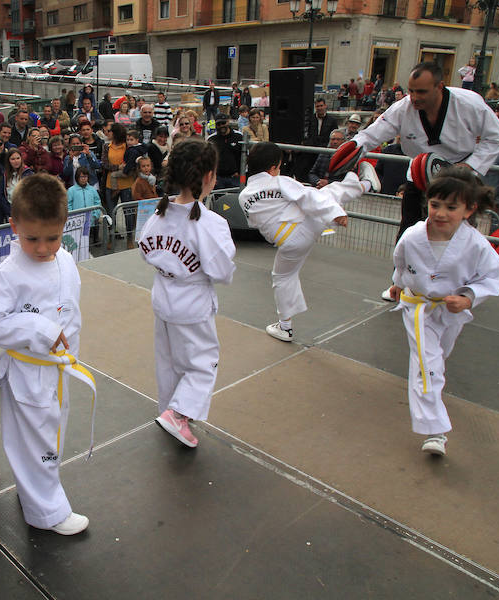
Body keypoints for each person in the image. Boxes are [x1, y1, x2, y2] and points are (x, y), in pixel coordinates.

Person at [0, 173, 91, 536]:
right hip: (28, 371)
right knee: (37, 440)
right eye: (32, 238)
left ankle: (35, 493)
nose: (43, 248)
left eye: (52, 238)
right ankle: (47, 511)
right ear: (13, 226)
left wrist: (68, 343)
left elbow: (70, 309)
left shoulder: (66, 261)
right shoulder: (8, 273)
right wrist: (40, 329)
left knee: (51, 434)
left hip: (57, 368)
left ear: (63, 227)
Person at [347, 61, 499, 298]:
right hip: (420, 172)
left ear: (439, 87)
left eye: (421, 91)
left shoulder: (469, 103)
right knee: (409, 231)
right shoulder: (403, 108)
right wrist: (351, 148)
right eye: (411, 90)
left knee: (458, 233)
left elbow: (496, 137)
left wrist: (470, 166)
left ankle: (464, 289)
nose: (413, 97)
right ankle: (400, 285)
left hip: (460, 176)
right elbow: (372, 134)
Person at [387, 167, 499, 456]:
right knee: (426, 365)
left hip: (451, 311)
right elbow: (402, 264)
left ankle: (433, 395)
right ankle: (435, 431)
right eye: (435, 204)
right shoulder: (413, 236)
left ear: (469, 210)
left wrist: (468, 298)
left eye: (451, 207)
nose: (441, 213)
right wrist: (396, 285)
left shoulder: (477, 245)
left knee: (438, 357)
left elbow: (495, 277)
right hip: (418, 308)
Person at [137, 138, 236, 448]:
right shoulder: (210, 223)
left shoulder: (160, 212)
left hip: (163, 299)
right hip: (192, 305)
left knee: (169, 362)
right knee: (203, 363)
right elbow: (222, 271)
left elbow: (144, 249)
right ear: (208, 176)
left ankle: (168, 409)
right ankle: (178, 415)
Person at [239, 142, 379, 342]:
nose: (279, 170)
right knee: (328, 193)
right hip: (305, 228)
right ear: (272, 169)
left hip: (287, 242)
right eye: (278, 167)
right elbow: (307, 195)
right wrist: (335, 212)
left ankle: (285, 327)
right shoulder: (280, 181)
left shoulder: (244, 196)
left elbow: (255, 222)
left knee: (282, 277)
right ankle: (364, 183)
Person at [207, 115, 242, 189]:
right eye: (218, 124)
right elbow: (208, 160)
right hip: (218, 178)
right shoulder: (211, 139)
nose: (221, 126)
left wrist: (240, 173)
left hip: (236, 177)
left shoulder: (239, 136)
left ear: (228, 122)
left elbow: (245, 156)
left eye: (223, 123)